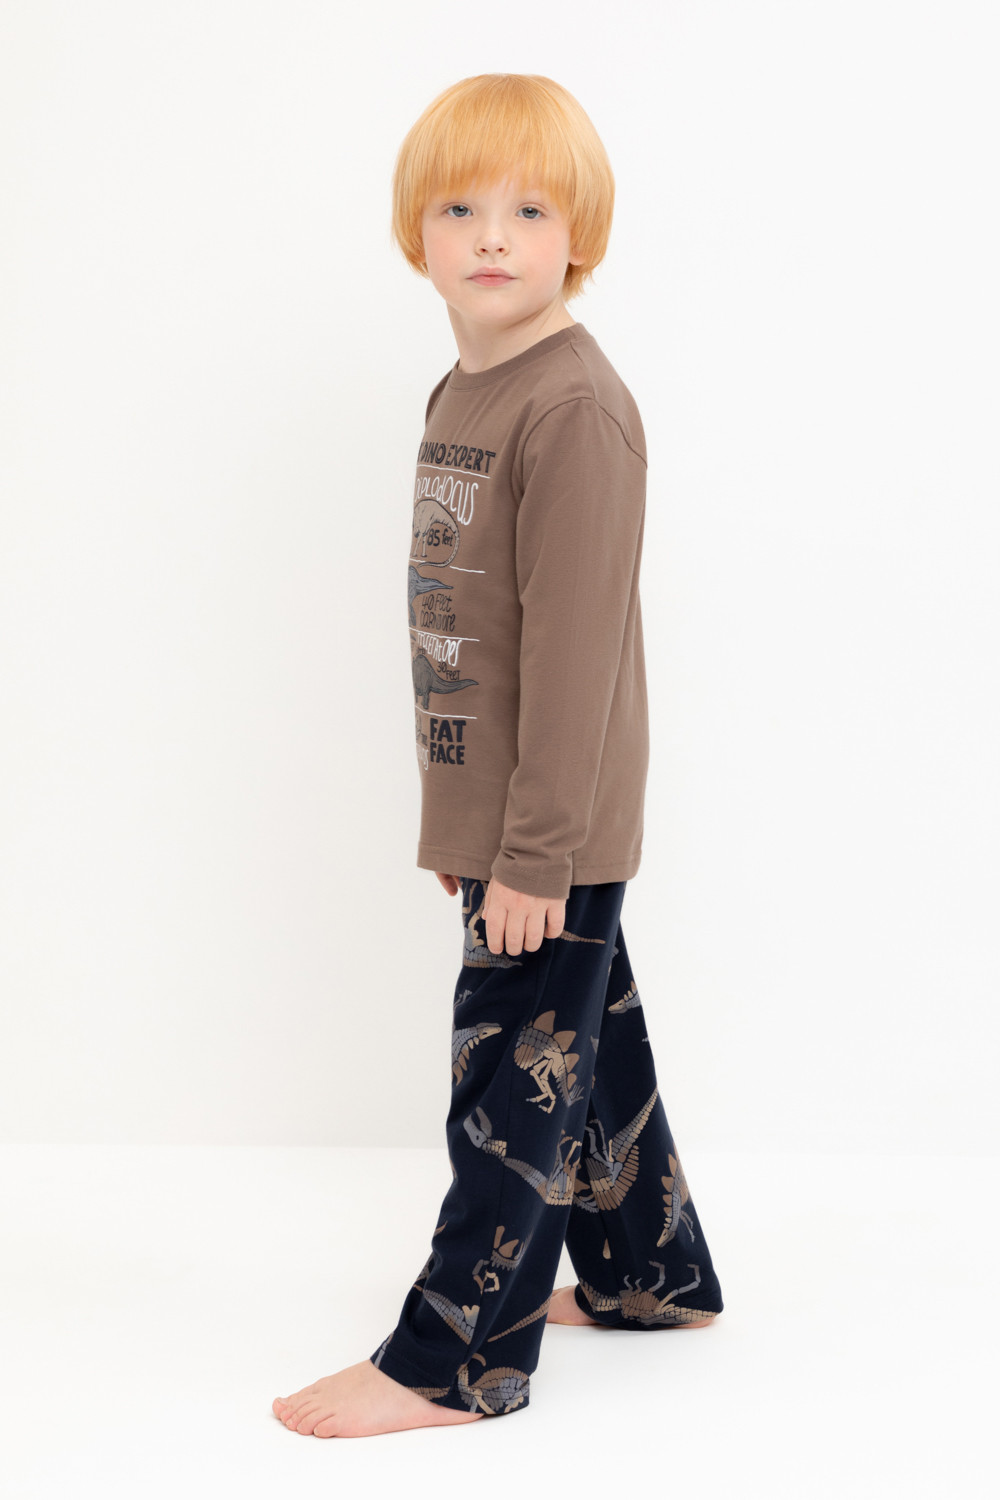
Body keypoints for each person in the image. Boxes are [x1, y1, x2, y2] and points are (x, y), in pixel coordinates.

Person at [272, 72, 724, 1440]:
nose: (491, 236)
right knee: (590, 1034)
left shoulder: (572, 409)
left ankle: (455, 1361)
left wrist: (531, 853)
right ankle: (652, 1274)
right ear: (414, 232)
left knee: (505, 1082)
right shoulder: (467, 387)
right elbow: (466, 626)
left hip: (552, 827)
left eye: (530, 211)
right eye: (460, 208)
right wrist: (461, 825)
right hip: (509, 817)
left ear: (582, 234)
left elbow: (574, 657)